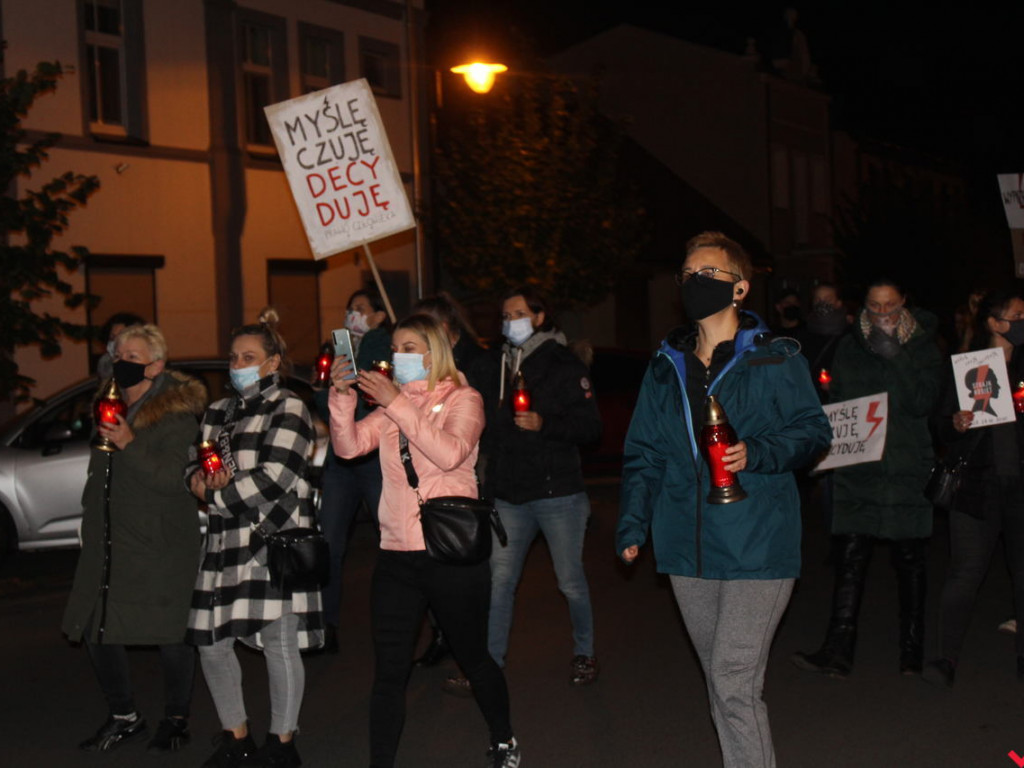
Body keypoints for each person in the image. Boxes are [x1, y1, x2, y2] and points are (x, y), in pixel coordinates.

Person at [617, 231, 831, 768]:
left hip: (758, 542)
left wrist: (755, 452)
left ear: (739, 288)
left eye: (707, 274)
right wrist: (632, 525)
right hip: (687, 548)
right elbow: (643, 452)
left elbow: (813, 433)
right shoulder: (666, 366)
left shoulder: (776, 359)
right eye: (687, 275)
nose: (694, 283)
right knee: (721, 681)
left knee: (733, 680)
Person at [328, 313, 520, 768]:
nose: (398, 357)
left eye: (409, 347)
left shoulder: (464, 398)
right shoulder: (392, 406)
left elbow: (451, 453)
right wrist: (340, 399)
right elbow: (349, 447)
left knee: (473, 656)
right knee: (389, 672)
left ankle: (504, 737)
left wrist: (399, 405)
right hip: (397, 555)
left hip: (451, 553)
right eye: (395, 348)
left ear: (434, 354)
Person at [187, 308, 323, 768]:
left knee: (279, 643)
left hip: (271, 541)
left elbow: (277, 476)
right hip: (224, 542)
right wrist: (198, 482)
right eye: (233, 356)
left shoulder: (289, 407)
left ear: (271, 363)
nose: (237, 364)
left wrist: (219, 495)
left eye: (249, 356)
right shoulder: (217, 412)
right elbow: (196, 461)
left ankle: (283, 743)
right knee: (210, 641)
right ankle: (237, 734)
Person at [62, 323, 207, 754]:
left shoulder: (175, 415)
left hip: (160, 543)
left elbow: (172, 480)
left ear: (157, 365)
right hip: (112, 541)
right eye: (118, 354)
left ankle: (176, 719)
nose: (121, 362)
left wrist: (130, 442)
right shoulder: (108, 404)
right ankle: (125, 716)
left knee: (170, 631)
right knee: (95, 622)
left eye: (133, 356)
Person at [792, 277, 943, 678]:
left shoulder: (923, 347)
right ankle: (838, 650)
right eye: (874, 307)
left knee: (910, 561)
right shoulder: (849, 346)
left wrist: (899, 357)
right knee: (851, 559)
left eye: (889, 306)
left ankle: (912, 653)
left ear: (904, 302)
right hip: (860, 470)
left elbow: (924, 402)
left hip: (905, 469)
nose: (881, 315)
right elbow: (840, 402)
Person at [481, 287, 602, 687]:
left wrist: (544, 424)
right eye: (504, 314)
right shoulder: (501, 364)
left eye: (517, 312)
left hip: (557, 494)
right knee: (499, 581)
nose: (509, 321)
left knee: (569, 580)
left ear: (538, 316)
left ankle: (584, 652)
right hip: (510, 495)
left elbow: (590, 426)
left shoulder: (562, 363)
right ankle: (489, 663)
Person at [923, 288, 1024, 687]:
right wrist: (955, 423)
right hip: (977, 487)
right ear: (995, 324)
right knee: (965, 573)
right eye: (1017, 315)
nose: (1021, 322)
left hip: (1021, 488)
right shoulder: (967, 368)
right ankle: (946, 658)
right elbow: (939, 422)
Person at [410, 291, 486, 667]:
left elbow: (453, 449)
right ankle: (441, 635)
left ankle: (470, 654)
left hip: (457, 494)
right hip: (412, 504)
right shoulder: (410, 383)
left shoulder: (470, 379)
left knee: (458, 580)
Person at [314, 288, 391, 653]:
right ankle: (325, 623)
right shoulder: (334, 350)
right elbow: (319, 398)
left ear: (379, 317)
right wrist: (331, 386)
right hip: (341, 463)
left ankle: (405, 619)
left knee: (394, 539)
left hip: (374, 458)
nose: (351, 316)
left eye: (360, 309)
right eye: (349, 309)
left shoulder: (384, 346)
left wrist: (355, 379)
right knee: (329, 542)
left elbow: (378, 395)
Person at [95, 312, 146, 380]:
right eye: (112, 338)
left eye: (120, 337)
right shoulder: (106, 375)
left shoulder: (146, 373)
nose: (116, 342)